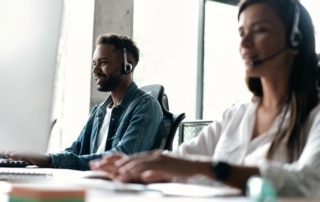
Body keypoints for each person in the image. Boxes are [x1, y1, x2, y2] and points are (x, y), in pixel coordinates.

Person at [89, 0, 320, 197]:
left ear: (295, 38)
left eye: (259, 30)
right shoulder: (236, 115)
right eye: (242, 33)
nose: (244, 44)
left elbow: (308, 182)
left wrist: (211, 169)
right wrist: (133, 168)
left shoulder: (315, 114)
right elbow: (180, 161)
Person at [1, 33, 165, 170]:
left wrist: (50, 160)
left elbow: (122, 158)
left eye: (103, 63)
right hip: (92, 183)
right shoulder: (99, 111)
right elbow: (76, 150)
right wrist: (30, 157)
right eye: (94, 64)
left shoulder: (146, 107)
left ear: (127, 65)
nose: (95, 70)